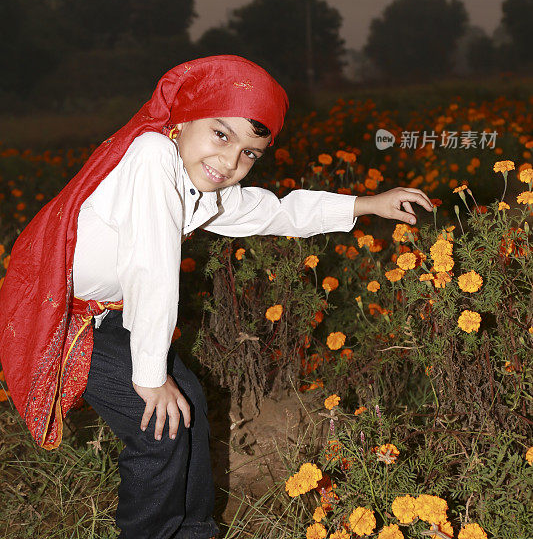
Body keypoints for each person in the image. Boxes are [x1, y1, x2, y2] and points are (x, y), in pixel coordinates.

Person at [0, 55, 433, 539]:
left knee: (186, 400)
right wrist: (148, 377)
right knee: (156, 425)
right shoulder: (150, 157)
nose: (230, 162)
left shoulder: (196, 183)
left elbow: (274, 212)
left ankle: (194, 530)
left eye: (250, 153)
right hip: (61, 312)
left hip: (105, 313)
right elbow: (151, 268)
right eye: (221, 135)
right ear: (182, 119)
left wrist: (365, 204)